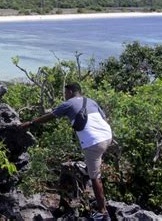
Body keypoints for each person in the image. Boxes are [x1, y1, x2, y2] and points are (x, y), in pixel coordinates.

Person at [21, 82, 112, 220]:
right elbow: (105, 118)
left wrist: (31, 123)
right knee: (94, 160)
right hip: (107, 136)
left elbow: (50, 116)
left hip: (93, 142)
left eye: (65, 93)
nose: (64, 96)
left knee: (95, 178)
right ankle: (91, 167)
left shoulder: (68, 104)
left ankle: (103, 212)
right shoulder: (91, 101)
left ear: (69, 92)